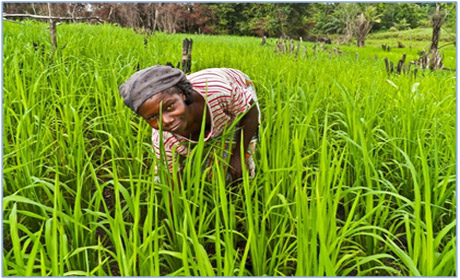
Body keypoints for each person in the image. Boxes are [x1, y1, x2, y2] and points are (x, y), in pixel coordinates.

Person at [119, 65, 260, 186]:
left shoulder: (219, 92)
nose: (166, 121)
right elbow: (170, 179)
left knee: (240, 165)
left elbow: (250, 110)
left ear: (182, 95)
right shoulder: (163, 138)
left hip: (238, 88)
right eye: (153, 117)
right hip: (210, 114)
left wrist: (238, 155)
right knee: (200, 169)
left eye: (169, 107)